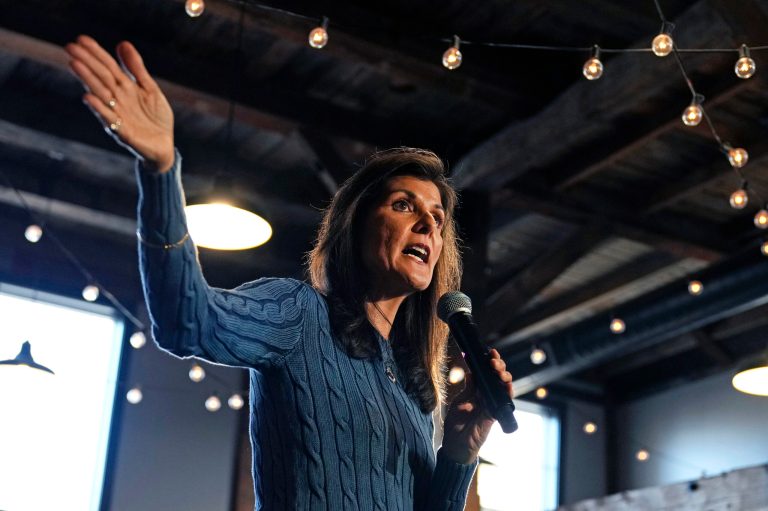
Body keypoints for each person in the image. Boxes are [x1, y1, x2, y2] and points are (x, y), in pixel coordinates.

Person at [65, 35, 514, 510]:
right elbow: (185, 322)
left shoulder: (411, 381)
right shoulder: (300, 313)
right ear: (355, 224)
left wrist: (460, 453)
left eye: (437, 218)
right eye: (404, 205)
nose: (427, 222)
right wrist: (160, 169)